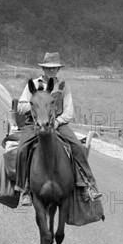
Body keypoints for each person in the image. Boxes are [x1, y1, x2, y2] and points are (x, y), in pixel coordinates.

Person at [15, 52, 102, 207]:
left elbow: (69, 111)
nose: (51, 71)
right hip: (34, 124)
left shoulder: (63, 86)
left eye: (54, 68)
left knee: (77, 147)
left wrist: (57, 122)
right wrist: (38, 105)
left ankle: (87, 185)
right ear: (43, 68)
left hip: (58, 124)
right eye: (48, 68)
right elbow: (21, 106)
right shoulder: (33, 85)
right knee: (22, 149)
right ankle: (24, 189)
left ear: (58, 69)